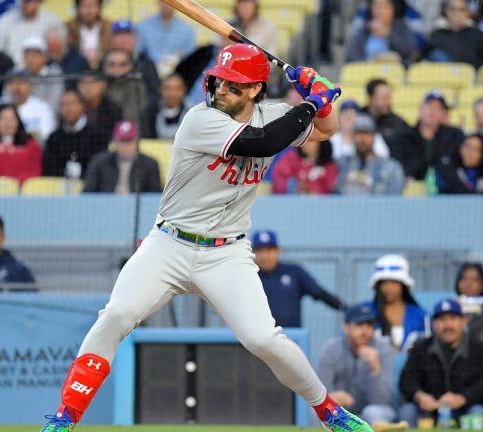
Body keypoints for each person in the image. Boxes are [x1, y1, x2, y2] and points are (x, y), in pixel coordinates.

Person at [39, 43, 374, 432]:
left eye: (234, 85)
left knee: (263, 338)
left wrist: (317, 95)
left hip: (226, 253)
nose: (221, 90)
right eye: (218, 82)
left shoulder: (276, 114)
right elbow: (261, 142)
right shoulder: (200, 119)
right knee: (115, 315)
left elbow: (326, 131)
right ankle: (66, 417)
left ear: (255, 90)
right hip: (169, 245)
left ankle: (331, 413)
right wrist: (311, 102)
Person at [398, 299, 483, 427]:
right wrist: (420, 396)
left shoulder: (480, 349)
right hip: (429, 411)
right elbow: (406, 380)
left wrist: (463, 398)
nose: (447, 325)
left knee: (477, 412)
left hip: (465, 408)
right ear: (434, 324)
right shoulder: (420, 348)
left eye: (453, 318)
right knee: (407, 411)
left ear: (463, 322)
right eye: (442, 320)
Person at [318, 303, 397, 424]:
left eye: (370, 325)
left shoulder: (384, 350)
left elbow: (382, 401)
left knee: (373, 413)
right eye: (359, 324)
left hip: (374, 410)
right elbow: (320, 392)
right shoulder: (331, 350)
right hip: (342, 410)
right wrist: (331, 396)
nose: (365, 330)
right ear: (346, 327)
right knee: (323, 410)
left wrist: (376, 369)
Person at [251, 229, 345, 327]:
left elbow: (321, 294)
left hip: (290, 337)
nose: (265, 256)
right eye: (260, 251)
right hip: (254, 338)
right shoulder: (247, 276)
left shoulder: (294, 272)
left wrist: (346, 308)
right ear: (252, 252)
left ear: (278, 250)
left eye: (269, 250)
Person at [364, 254, 429, 352]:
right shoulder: (365, 312)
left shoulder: (421, 315)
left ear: (404, 285)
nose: (389, 288)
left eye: (394, 283)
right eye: (384, 283)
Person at [0, 69, 57, 143]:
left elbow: (47, 137)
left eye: (21, 82)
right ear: (7, 86)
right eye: (12, 82)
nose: (17, 87)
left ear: (30, 86)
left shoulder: (42, 107)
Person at [83, 120, 162, 193]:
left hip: (137, 207)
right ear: (115, 142)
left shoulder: (150, 165)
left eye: (129, 141)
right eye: (122, 141)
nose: (126, 146)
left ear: (137, 141)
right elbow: (88, 192)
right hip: (106, 205)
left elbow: (155, 196)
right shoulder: (99, 163)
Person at [336, 115, 406, 195]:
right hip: (345, 206)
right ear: (353, 136)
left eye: (366, 133)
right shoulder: (341, 164)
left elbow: (393, 201)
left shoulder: (390, 168)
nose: (362, 139)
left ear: (374, 136)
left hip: (377, 207)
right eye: (358, 133)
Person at [44, 90, 109, 177]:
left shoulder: (98, 136)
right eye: (63, 104)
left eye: (72, 104)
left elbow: (101, 169)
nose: (68, 109)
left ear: (82, 106)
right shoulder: (54, 138)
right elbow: (49, 172)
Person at [363, 79, 418, 172]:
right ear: (371, 99)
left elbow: (413, 153)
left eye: (389, 98)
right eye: (384, 98)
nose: (388, 102)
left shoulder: (399, 124)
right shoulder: (358, 120)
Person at [0, 0, 65, 66]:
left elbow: (60, 54)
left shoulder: (53, 21)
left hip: (43, 71)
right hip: (12, 71)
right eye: (23, 1)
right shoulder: (4, 21)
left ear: (40, 2)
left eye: (29, 1)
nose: (24, 4)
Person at [423, 0, 483, 68]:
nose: (457, 13)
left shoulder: (479, 36)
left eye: (461, 10)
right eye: (453, 9)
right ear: (446, 12)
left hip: (468, 77)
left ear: (468, 12)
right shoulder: (436, 35)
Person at [345, 0, 419, 64]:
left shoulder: (401, 27)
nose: (380, 11)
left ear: (392, 10)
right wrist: (371, 61)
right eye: (377, 7)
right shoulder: (365, 29)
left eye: (384, 7)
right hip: (368, 72)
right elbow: (350, 55)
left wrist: (387, 34)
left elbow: (411, 49)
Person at [135, 0, 197, 76]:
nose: (167, 3)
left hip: (177, 77)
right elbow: (137, 53)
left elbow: (191, 58)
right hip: (149, 76)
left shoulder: (187, 29)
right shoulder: (144, 26)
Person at [413, 92, 465, 181]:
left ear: (443, 113)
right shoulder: (407, 136)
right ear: (420, 109)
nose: (432, 111)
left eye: (438, 108)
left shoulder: (454, 136)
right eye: (430, 106)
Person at [110, 19, 161, 106]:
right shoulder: (106, 63)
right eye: (119, 35)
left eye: (128, 34)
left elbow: (155, 93)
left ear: (136, 38)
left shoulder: (146, 64)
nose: (124, 39)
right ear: (112, 39)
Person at [271, 139, 338, 194]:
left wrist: (309, 189)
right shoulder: (291, 158)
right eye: (304, 139)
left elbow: (327, 191)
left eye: (310, 140)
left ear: (321, 143)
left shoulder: (329, 167)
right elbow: (279, 177)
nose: (305, 143)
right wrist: (294, 186)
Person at [101, 48, 148, 124]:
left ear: (130, 66)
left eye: (122, 64)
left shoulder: (138, 86)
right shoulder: (98, 87)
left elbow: (141, 115)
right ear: (104, 67)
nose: (116, 69)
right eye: (112, 64)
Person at [77, 71, 123, 144]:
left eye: (92, 82)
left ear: (103, 85)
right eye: (83, 82)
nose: (87, 87)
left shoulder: (112, 109)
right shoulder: (73, 107)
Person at [20, 36, 64, 111]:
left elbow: (55, 103)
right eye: (28, 55)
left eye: (35, 55)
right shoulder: (19, 76)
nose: (31, 59)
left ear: (45, 56)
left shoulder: (54, 73)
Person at [141, 73, 191, 139]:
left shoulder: (193, 113)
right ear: (160, 90)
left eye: (177, 88)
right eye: (167, 88)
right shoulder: (151, 112)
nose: (172, 93)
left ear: (184, 91)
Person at [66, 0, 112, 67]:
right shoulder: (68, 27)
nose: (88, 10)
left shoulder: (110, 26)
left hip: (103, 67)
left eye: (92, 6)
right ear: (77, 8)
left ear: (99, 7)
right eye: (84, 6)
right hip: (76, 68)